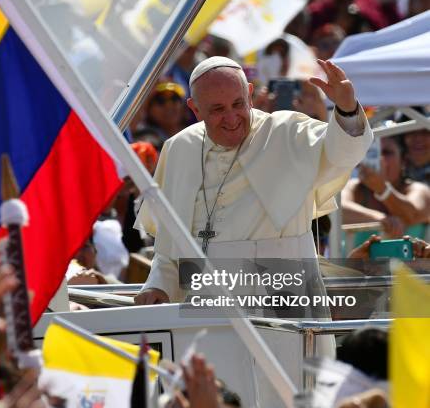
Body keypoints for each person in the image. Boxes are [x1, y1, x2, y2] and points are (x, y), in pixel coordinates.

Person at [135, 56, 373, 304]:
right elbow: (169, 245)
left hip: (281, 309)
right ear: (195, 108)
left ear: (250, 94)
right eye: (217, 109)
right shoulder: (179, 149)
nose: (231, 118)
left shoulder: (287, 132)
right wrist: (157, 287)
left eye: (238, 104)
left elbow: (344, 152)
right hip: (204, 310)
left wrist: (346, 108)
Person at [342, 136, 430, 246]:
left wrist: (382, 190)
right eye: (372, 152)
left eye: (387, 152)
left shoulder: (418, 189)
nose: (380, 158)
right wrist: (380, 219)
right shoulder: (354, 187)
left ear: (403, 161)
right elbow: (337, 209)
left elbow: (413, 214)